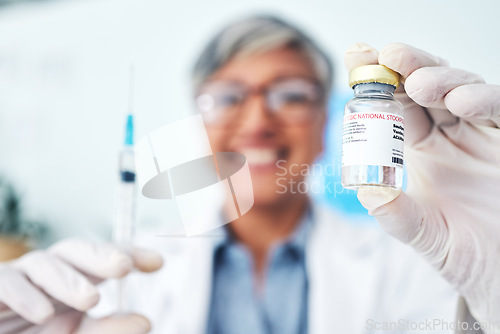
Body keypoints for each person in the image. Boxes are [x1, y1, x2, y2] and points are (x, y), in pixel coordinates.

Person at [1, 15, 499, 334]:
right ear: (200, 123)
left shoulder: (414, 268)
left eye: (290, 95)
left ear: (327, 118)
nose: (259, 122)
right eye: (229, 97)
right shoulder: (120, 273)